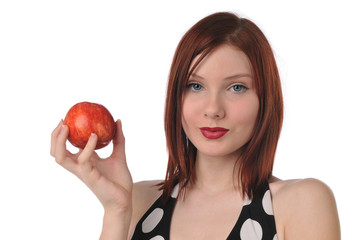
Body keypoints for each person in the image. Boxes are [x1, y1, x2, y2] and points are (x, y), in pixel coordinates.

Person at [50, 12, 341, 240]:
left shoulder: (302, 204)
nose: (213, 110)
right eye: (195, 85)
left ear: (265, 100)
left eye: (237, 87)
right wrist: (116, 211)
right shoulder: (137, 201)